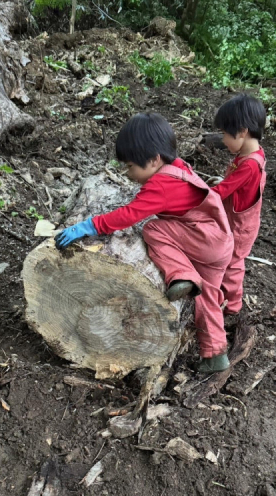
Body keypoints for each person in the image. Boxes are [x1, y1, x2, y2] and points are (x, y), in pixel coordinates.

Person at [54, 112, 234, 373]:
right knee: (208, 297)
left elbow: (129, 215)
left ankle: (182, 275)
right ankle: (216, 354)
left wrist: (89, 226)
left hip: (204, 240)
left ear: (153, 160)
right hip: (220, 243)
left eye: (130, 166)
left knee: (153, 229)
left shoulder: (160, 184)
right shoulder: (179, 168)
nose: (128, 174)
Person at [211, 93, 267, 317]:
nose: (223, 140)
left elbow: (221, 192)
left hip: (240, 227)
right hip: (237, 220)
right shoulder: (251, 154)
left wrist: (195, 195)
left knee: (232, 263)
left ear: (242, 132)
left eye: (225, 134)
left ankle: (232, 305)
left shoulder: (249, 164)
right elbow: (234, 185)